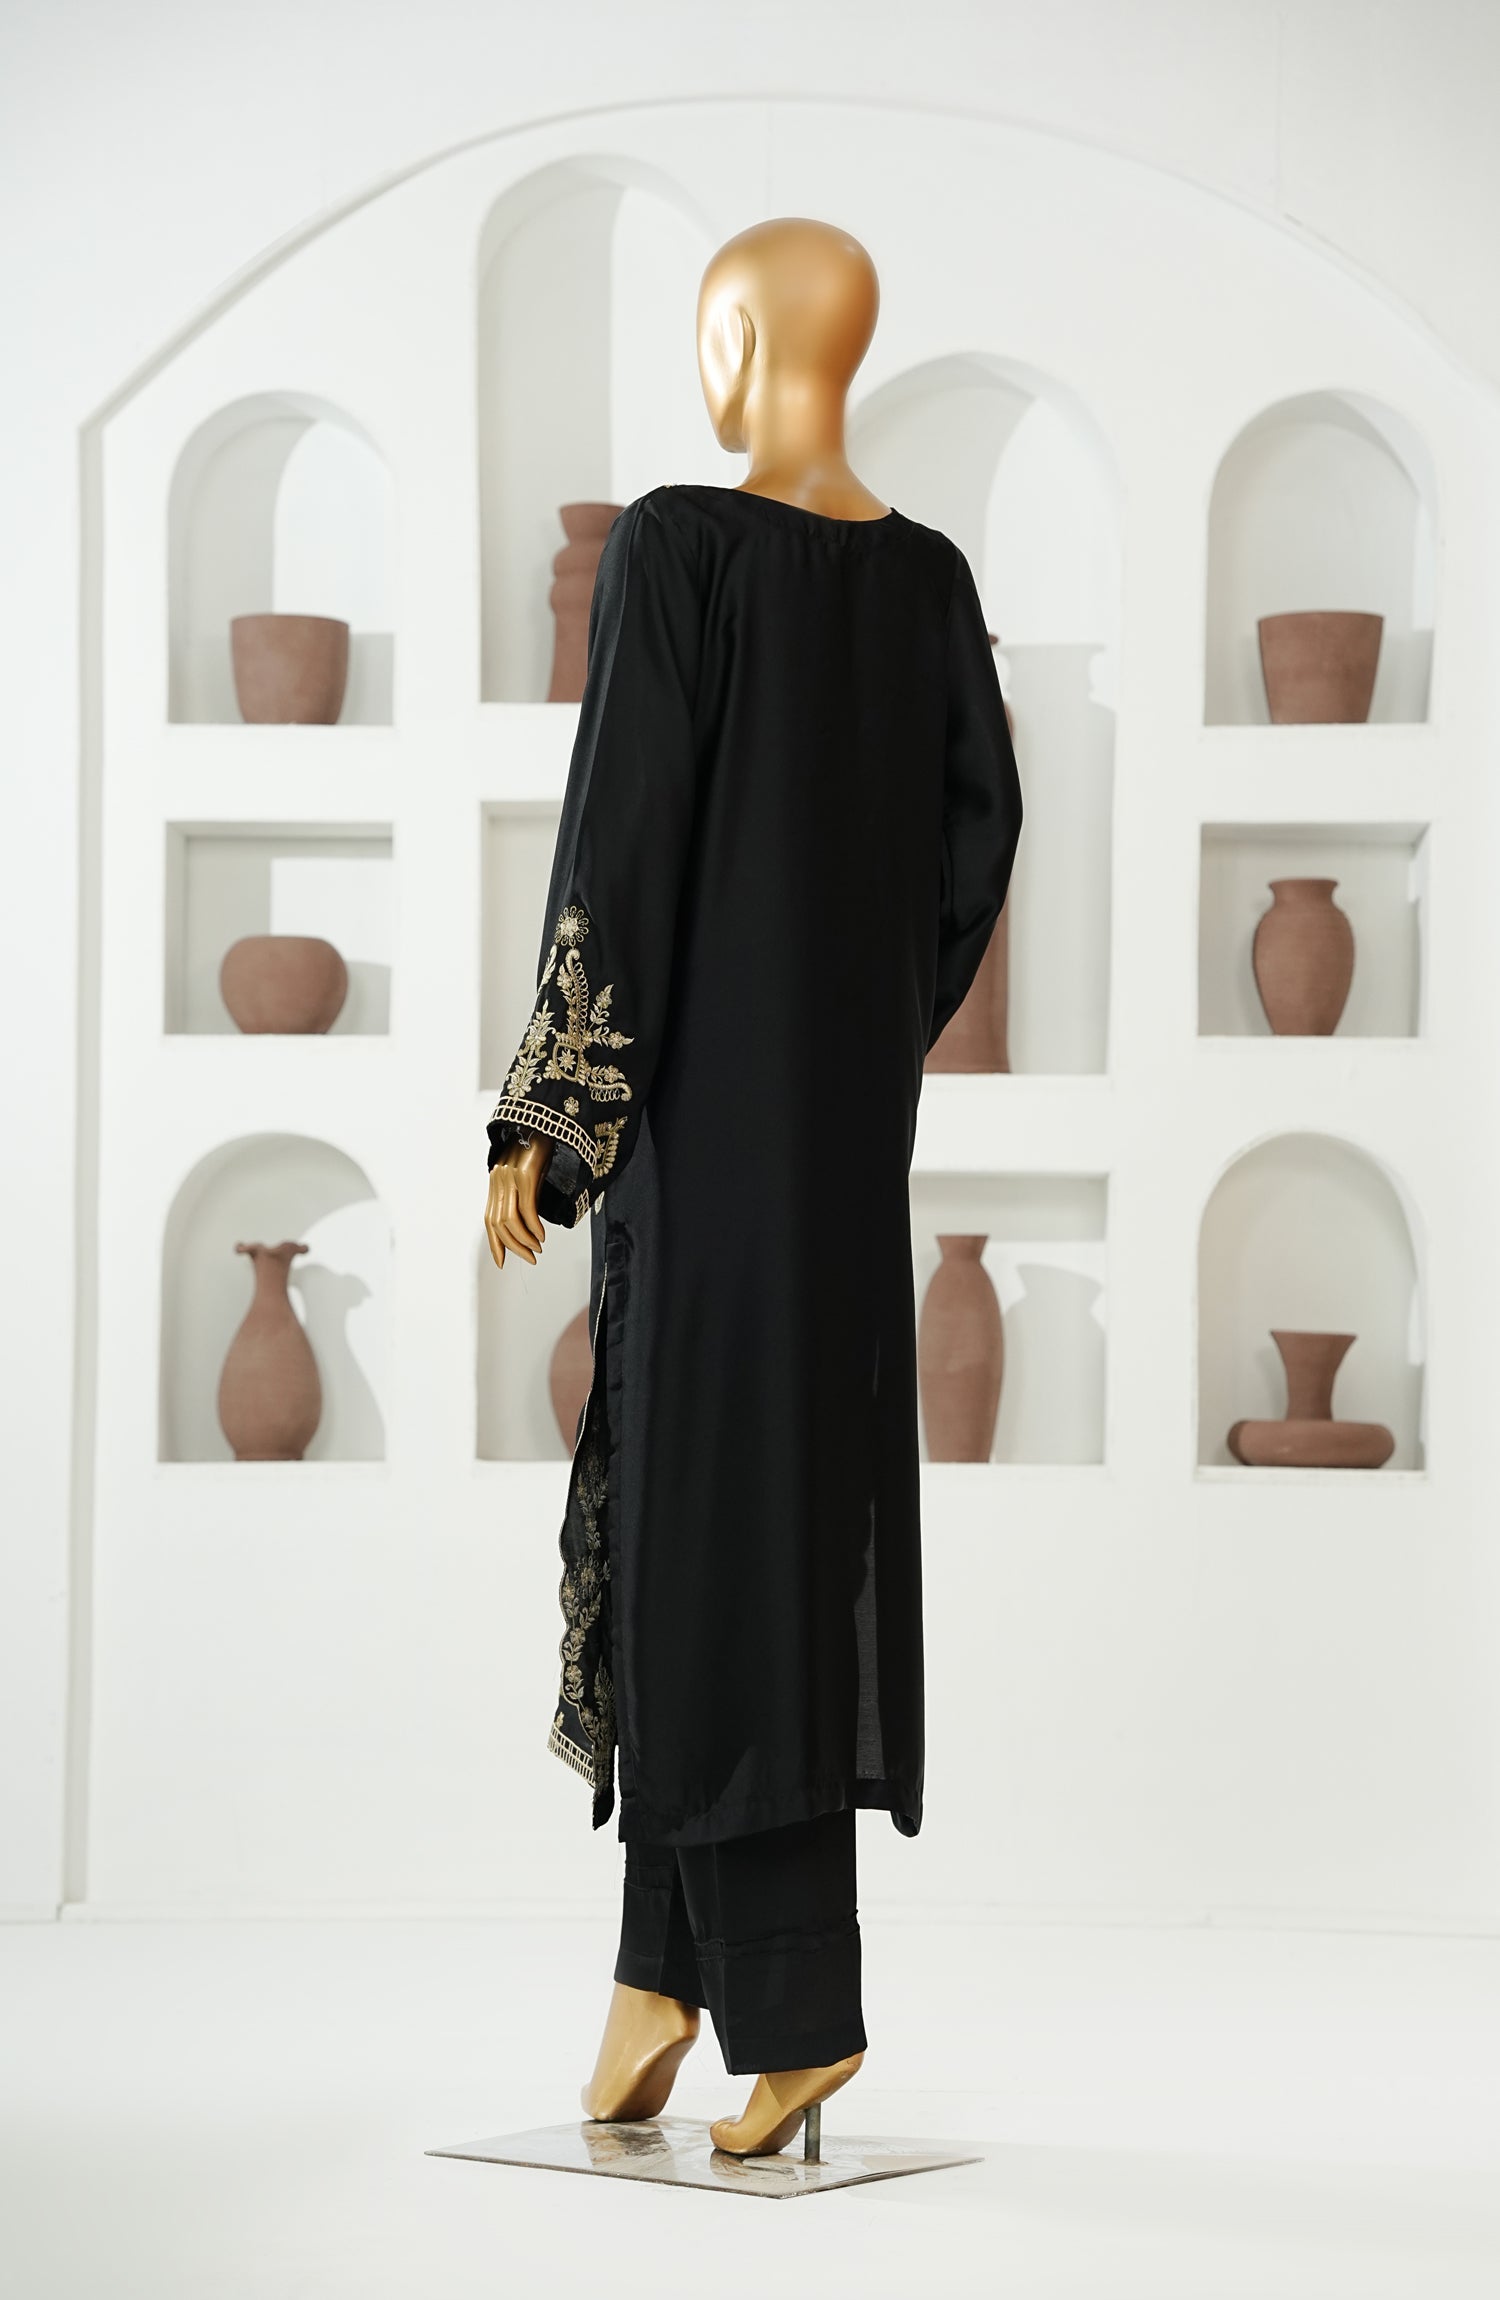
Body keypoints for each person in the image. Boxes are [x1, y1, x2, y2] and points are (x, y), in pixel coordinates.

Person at [483, 218, 1023, 2156]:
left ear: (740, 342)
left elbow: (621, 832)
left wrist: (553, 1112)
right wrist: (861, 1028)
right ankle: (661, 1977)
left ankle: (796, 2007)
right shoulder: (930, 581)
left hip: (702, 1130)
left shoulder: (679, 545)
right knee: (767, 1516)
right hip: (839, 1137)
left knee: (717, 1529)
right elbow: (983, 835)